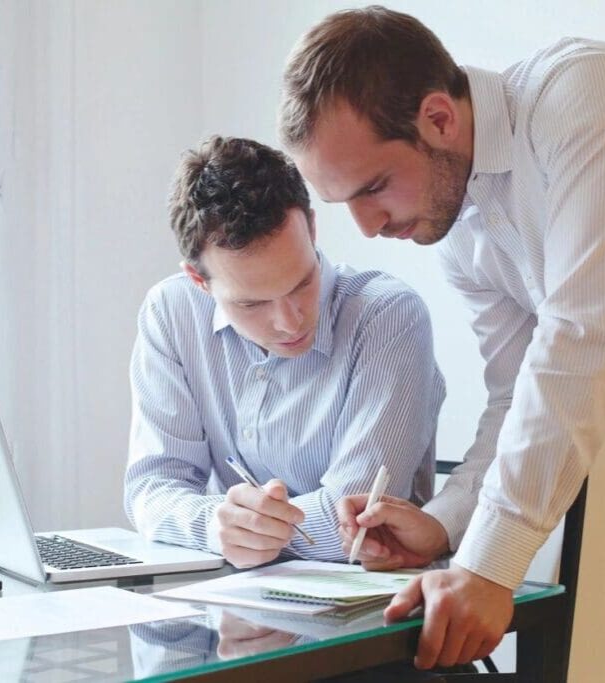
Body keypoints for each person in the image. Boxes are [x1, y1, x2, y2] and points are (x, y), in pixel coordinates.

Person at [279, 6, 605, 681]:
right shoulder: (461, 229)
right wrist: (444, 526)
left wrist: (489, 565)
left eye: (374, 187)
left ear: (440, 118)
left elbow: (581, 337)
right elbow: (515, 394)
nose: (370, 225)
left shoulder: (589, 94)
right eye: (345, 201)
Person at [123, 135, 445, 569]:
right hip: (233, 603)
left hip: (369, 606)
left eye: (301, 283)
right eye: (251, 303)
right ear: (199, 281)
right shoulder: (172, 311)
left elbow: (356, 528)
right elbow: (151, 487)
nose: (289, 322)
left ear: (311, 229)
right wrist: (215, 525)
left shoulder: (386, 315)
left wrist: (246, 531)